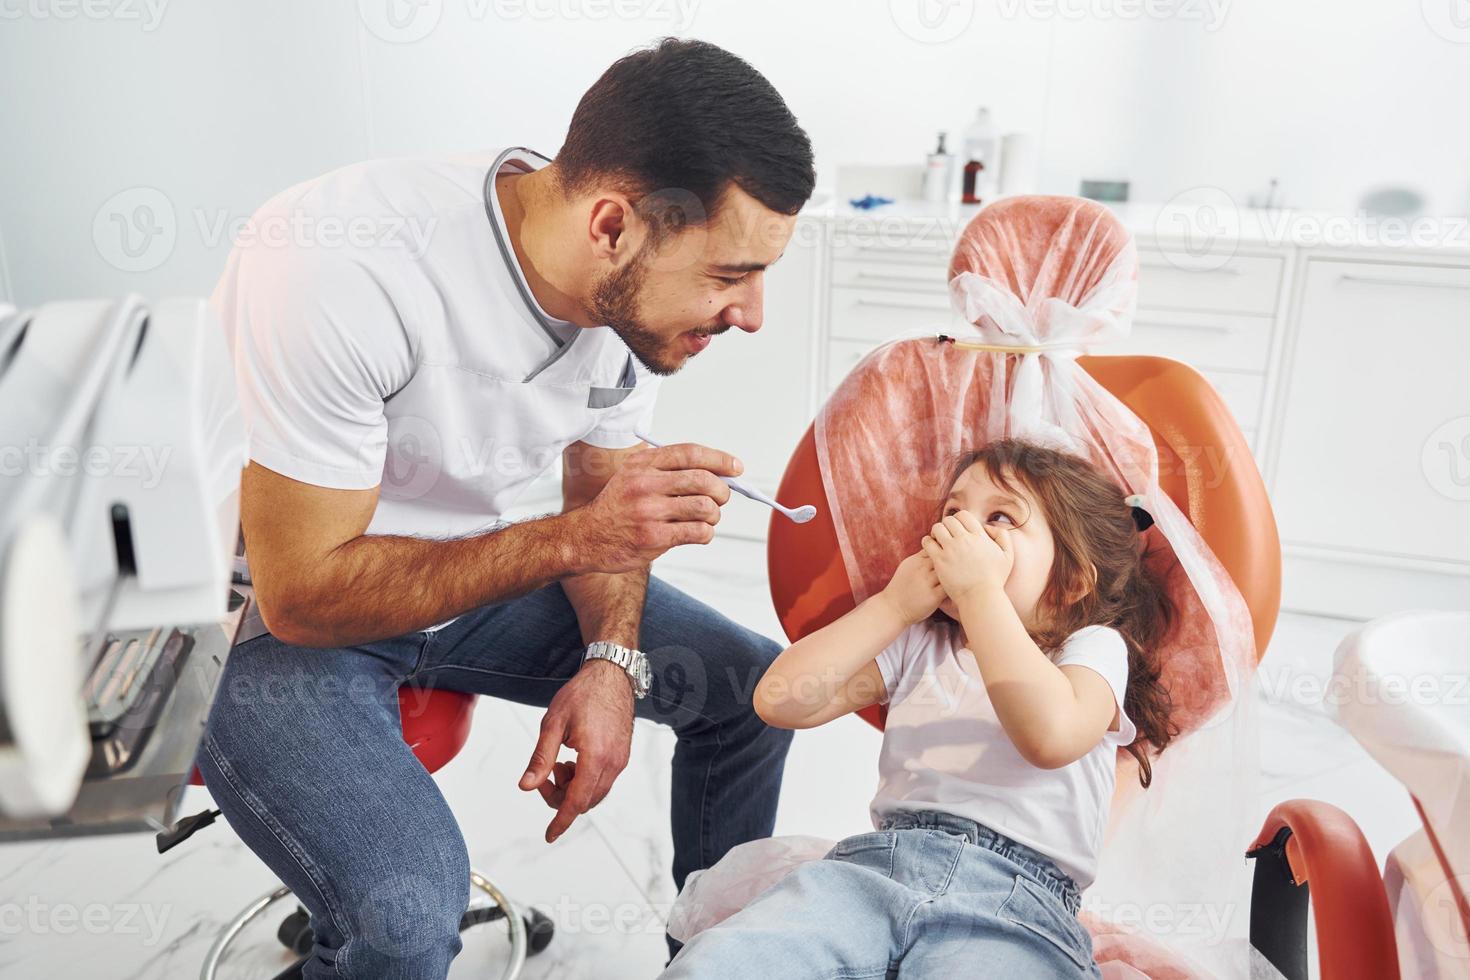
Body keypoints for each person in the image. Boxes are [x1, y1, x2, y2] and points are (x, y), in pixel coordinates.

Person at [199, 37, 814, 978]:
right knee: (406, 918)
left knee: (753, 699)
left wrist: (611, 661)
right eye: (729, 276)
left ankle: (712, 963)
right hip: (270, 620)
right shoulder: (341, 268)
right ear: (613, 225)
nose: (752, 314)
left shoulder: (624, 301)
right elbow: (303, 596)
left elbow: (596, 501)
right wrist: (582, 536)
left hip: (451, 577)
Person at [662, 438, 1179, 978]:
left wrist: (981, 594)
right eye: (953, 513)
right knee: (727, 962)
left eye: (1000, 517)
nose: (960, 533)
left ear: (1071, 581)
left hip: (1019, 906)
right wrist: (894, 605)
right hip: (874, 873)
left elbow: (1050, 736)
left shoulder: (1091, 649)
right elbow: (778, 700)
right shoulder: (919, 641)